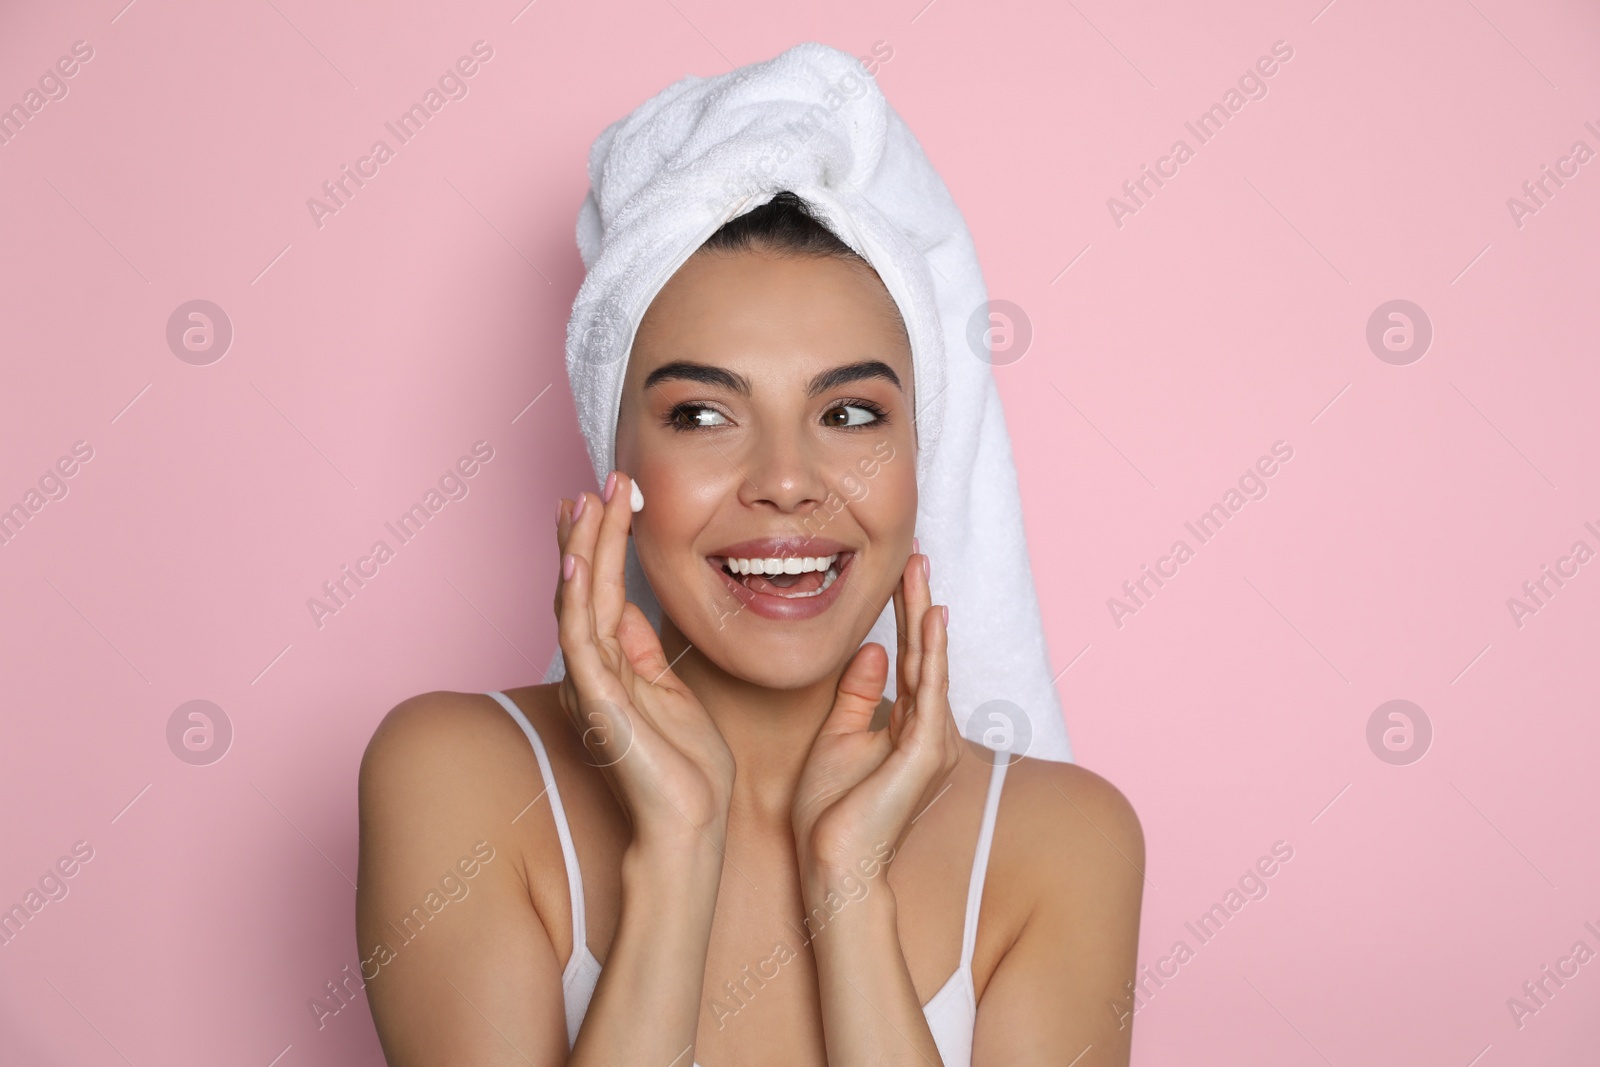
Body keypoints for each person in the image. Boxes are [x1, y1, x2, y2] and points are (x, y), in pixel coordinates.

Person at [357, 45, 1142, 1067]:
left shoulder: (1064, 841)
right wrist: (676, 847)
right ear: (618, 460)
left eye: (850, 412)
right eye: (703, 413)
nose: (785, 478)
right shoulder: (454, 776)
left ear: (922, 460)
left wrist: (849, 886)